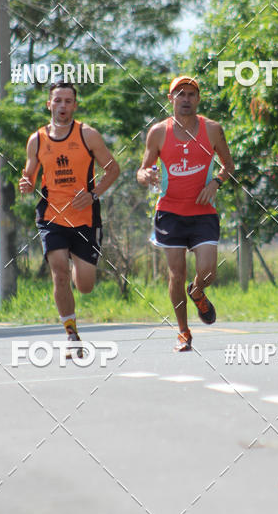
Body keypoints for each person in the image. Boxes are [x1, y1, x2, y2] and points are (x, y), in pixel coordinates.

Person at [19, 81, 120, 351]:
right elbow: (28, 175)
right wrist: (26, 184)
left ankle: (79, 264)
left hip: (85, 217)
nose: (62, 106)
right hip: (51, 215)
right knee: (59, 275)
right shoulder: (37, 140)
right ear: (49, 104)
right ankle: (71, 333)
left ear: (75, 105)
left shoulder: (88, 135)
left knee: (85, 285)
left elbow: (112, 169)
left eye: (68, 101)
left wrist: (94, 193)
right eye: (58, 100)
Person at [137, 76, 235, 352]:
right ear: (171, 99)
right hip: (169, 212)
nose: (186, 99)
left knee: (208, 270)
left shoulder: (213, 129)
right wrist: (146, 175)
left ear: (198, 99)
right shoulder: (158, 132)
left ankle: (198, 291)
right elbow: (142, 170)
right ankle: (183, 332)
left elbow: (228, 165)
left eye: (191, 94)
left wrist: (215, 183)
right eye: (180, 94)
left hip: (203, 212)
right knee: (175, 273)